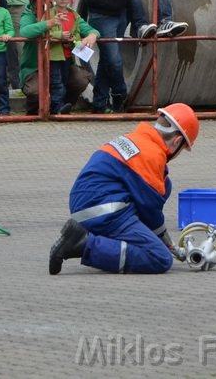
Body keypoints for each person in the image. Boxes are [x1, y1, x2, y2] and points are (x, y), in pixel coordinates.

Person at [48, 103, 199, 275]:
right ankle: (83, 245)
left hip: (88, 203)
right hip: (103, 210)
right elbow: (150, 211)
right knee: (160, 257)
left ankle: (97, 240)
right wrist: (166, 243)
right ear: (177, 141)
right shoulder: (152, 156)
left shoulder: (136, 139)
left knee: (165, 185)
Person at [18, 0, 97, 115]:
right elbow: (25, 32)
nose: (44, 4)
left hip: (62, 60)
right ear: (32, 4)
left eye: (46, 0)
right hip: (35, 67)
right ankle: (34, 109)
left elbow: (87, 29)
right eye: (38, 1)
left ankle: (64, 106)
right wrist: (49, 23)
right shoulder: (28, 15)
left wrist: (92, 35)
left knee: (80, 79)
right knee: (36, 90)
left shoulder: (68, 13)